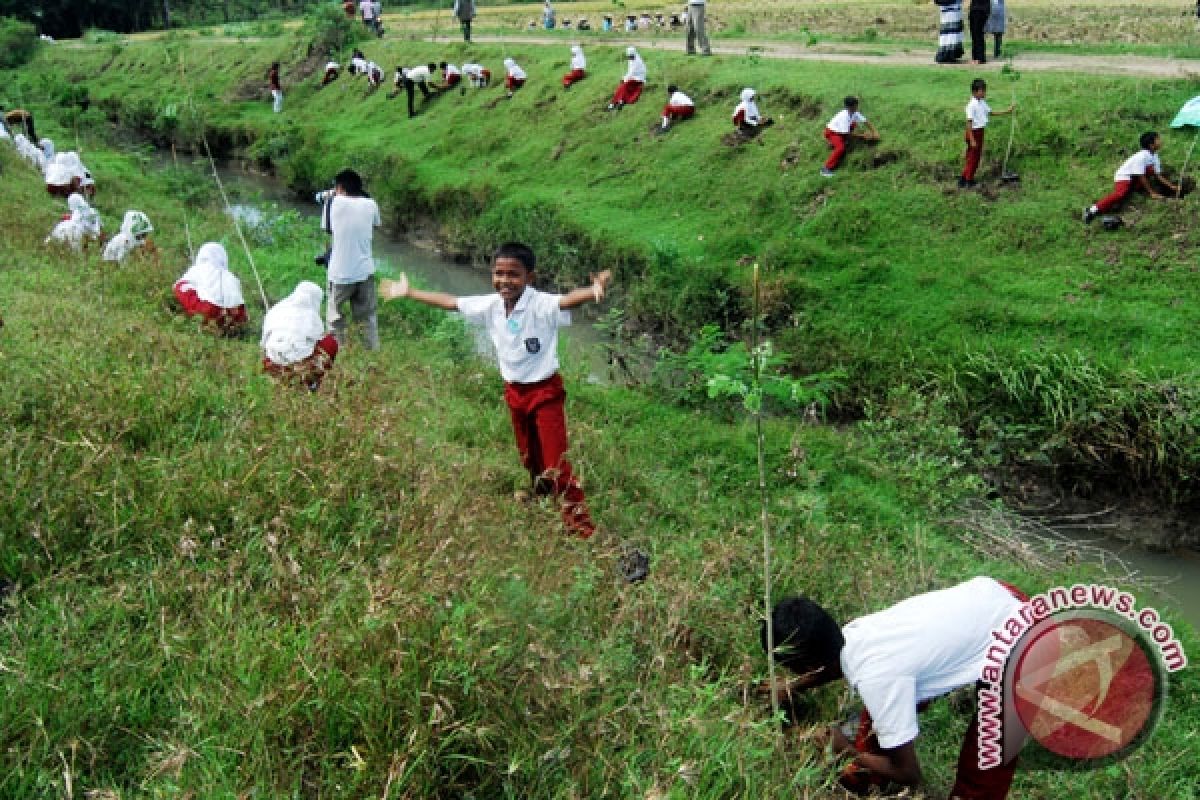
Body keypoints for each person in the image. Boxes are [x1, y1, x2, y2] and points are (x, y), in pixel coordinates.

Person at [379, 242, 612, 538]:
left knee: (557, 463)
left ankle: (582, 530)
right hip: (514, 391)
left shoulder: (540, 304)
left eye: (513, 274)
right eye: (499, 273)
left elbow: (567, 301)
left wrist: (592, 291)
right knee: (529, 454)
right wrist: (410, 292)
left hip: (545, 393)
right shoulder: (491, 305)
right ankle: (540, 496)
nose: (504, 281)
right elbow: (451, 301)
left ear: (530, 277)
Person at [763, 577, 1027, 798]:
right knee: (883, 719)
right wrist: (793, 686)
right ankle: (870, 775)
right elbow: (834, 662)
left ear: (807, 664)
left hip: (1028, 643)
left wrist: (844, 748)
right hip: (994, 596)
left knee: (987, 754)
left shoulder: (877, 677)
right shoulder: (858, 633)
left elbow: (910, 775)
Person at [326, 169, 382, 350]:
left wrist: (330, 197)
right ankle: (371, 352)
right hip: (365, 272)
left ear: (340, 187)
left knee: (335, 318)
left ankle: (338, 353)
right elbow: (376, 224)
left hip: (340, 274)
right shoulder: (371, 204)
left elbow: (327, 228)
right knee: (367, 318)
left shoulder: (333, 202)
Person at [1084, 131, 1180, 223]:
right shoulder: (1141, 156)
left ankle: (1110, 205)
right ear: (1151, 145)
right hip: (1124, 176)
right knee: (1120, 194)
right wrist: (1152, 193)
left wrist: (1171, 186)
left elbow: (1158, 175)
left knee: (1150, 170)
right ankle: (1092, 209)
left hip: (1134, 178)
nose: (1161, 141)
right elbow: (1141, 176)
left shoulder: (1155, 156)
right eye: (1158, 139)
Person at [261, 281, 340, 390]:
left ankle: (278, 378)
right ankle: (312, 383)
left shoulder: (275, 310)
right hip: (301, 365)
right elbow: (318, 340)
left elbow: (263, 343)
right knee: (330, 342)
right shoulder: (311, 316)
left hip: (274, 363)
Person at [173, 242, 249, 335]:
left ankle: (200, 320)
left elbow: (182, 286)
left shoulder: (199, 268)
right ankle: (230, 329)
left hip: (207, 311)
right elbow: (240, 304)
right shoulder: (231, 276)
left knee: (179, 286)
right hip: (231, 317)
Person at [959, 78, 1013, 188]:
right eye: (981, 91)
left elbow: (990, 112)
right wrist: (972, 139)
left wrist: (1007, 111)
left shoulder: (982, 102)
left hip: (979, 132)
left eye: (984, 90)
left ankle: (963, 179)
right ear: (974, 92)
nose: (984, 93)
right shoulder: (971, 105)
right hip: (973, 132)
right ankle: (969, 181)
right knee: (973, 158)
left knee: (973, 157)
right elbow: (969, 123)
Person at [821, 96, 880, 176]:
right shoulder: (844, 116)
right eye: (856, 105)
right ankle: (825, 168)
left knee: (853, 123)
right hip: (832, 133)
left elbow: (865, 121)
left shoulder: (854, 112)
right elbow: (847, 133)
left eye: (857, 105)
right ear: (850, 107)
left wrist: (874, 132)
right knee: (840, 148)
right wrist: (863, 136)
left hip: (842, 132)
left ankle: (840, 142)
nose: (857, 107)